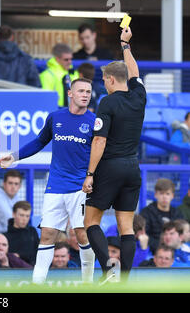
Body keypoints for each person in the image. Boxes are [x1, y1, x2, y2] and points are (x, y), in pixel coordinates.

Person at [0, 78, 96, 285]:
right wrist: (14, 156)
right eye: (81, 91)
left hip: (80, 187)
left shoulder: (94, 122)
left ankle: (88, 284)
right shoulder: (56, 117)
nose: (85, 95)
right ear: (70, 93)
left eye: (88, 91)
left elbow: (101, 152)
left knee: (81, 235)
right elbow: (40, 141)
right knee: (47, 234)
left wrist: (93, 177)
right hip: (55, 186)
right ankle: (37, 284)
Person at [82, 26, 147, 284]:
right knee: (126, 228)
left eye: (105, 80)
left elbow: (99, 140)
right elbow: (135, 72)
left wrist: (90, 174)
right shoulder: (139, 96)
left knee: (91, 221)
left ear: (109, 79)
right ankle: (125, 281)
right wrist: (125, 44)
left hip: (110, 167)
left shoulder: (107, 102)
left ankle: (108, 272)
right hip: (133, 167)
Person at [139, 178, 184, 254]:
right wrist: (162, 247)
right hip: (152, 252)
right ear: (155, 195)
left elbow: (182, 234)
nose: (164, 197)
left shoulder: (178, 213)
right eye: (161, 193)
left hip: (175, 251)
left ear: (172, 195)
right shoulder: (146, 212)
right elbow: (144, 234)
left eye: (167, 194)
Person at [39, 43, 80, 108]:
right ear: (57, 59)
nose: (70, 62)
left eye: (71, 59)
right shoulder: (47, 75)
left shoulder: (74, 74)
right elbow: (45, 100)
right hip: (55, 111)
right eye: (66, 59)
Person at [3, 201, 40, 266]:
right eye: (21, 215)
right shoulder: (5, 236)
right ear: (13, 214)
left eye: (27, 216)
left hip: (32, 269)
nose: (24, 219)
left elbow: (38, 253)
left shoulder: (32, 232)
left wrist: (19, 255)